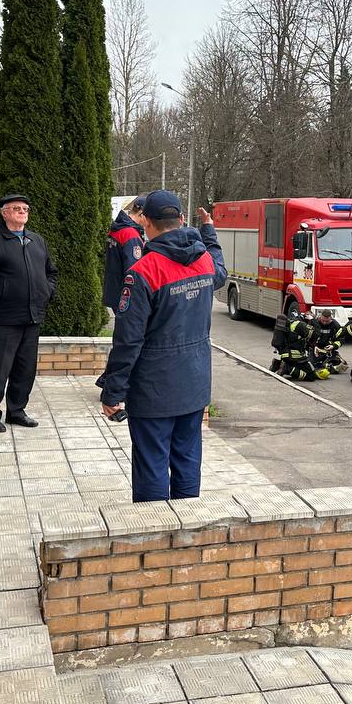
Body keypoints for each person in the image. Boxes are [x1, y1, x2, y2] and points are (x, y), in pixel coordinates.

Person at [100, 191, 227, 502]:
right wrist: (208, 231)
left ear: (147, 223)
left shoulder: (143, 272)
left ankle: (154, 533)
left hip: (154, 388)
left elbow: (128, 341)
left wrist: (113, 391)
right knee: (187, 459)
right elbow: (220, 271)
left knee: (152, 462)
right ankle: (185, 529)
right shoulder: (204, 261)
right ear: (182, 220)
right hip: (194, 383)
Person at [0, 194, 57, 433]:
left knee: (25, 368)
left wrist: (46, 292)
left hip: (33, 316)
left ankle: (16, 411)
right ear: (4, 213)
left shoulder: (36, 240)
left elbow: (51, 272)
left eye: (25, 208)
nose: (22, 212)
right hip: (5, 317)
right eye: (16, 208)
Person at [104, 194, 148, 314]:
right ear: (142, 214)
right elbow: (134, 270)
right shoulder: (131, 235)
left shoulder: (117, 229)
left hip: (115, 290)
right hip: (126, 295)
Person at [270, 313, 328, 381]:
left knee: (298, 370)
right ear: (307, 319)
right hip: (296, 357)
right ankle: (287, 369)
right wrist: (313, 320)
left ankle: (277, 364)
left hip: (285, 355)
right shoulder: (301, 325)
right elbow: (316, 334)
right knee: (311, 376)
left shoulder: (290, 322)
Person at [310, 309, 349, 375]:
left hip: (328, 350)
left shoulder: (335, 325)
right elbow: (308, 337)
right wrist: (314, 346)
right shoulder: (314, 322)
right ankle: (324, 366)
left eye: (327, 321)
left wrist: (333, 346)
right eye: (323, 320)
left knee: (342, 364)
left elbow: (341, 339)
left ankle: (330, 365)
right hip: (315, 350)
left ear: (331, 318)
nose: (324, 322)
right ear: (320, 317)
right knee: (310, 364)